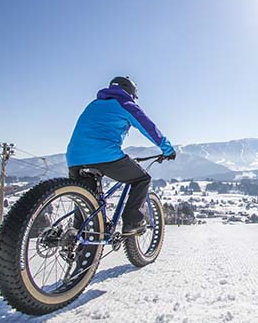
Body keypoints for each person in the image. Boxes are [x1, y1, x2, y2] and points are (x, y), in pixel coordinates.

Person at [66, 76, 176, 235]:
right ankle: (133, 222)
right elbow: (149, 128)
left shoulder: (93, 104)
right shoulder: (126, 104)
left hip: (74, 159)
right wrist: (167, 149)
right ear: (131, 93)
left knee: (87, 201)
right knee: (142, 179)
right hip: (105, 156)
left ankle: (78, 237)